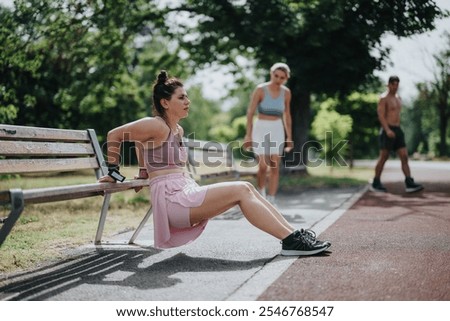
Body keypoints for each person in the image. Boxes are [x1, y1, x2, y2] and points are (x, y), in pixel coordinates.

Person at [98, 70, 330, 256]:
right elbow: (114, 135)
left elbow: (140, 143)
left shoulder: (176, 129)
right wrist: (114, 172)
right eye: (181, 97)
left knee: (247, 187)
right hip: (173, 201)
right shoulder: (155, 124)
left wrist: (143, 171)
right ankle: (291, 241)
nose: (188, 101)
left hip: (184, 191)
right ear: (165, 103)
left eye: (187, 96)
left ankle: (293, 235)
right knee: (241, 189)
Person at [243, 62, 293, 205]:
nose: (278, 79)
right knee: (263, 166)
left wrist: (289, 137)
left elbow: (287, 115)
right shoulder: (260, 89)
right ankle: (261, 193)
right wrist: (248, 134)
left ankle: (271, 199)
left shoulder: (286, 93)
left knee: (275, 165)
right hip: (261, 127)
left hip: (277, 127)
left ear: (286, 78)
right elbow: (250, 112)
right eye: (276, 75)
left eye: (282, 77)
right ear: (271, 74)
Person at [371, 75, 424, 193]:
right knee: (384, 157)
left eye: (397, 85)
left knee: (404, 156)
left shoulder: (398, 97)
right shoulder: (383, 98)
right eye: (393, 84)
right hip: (387, 129)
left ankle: (409, 182)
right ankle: (376, 181)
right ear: (388, 84)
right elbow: (381, 115)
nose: (395, 87)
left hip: (397, 129)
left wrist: (396, 129)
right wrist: (387, 130)